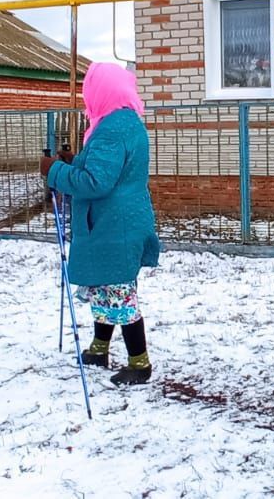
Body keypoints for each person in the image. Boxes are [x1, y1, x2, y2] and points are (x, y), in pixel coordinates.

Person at [41, 62, 160, 386]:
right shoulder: (124, 122)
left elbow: (97, 182)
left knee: (118, 293)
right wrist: (71, 163)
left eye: (89, 89)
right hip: (117, 221)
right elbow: (104, 168)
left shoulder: (112, 128)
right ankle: (99, 349)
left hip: (113, 224)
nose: (85, 96)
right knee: (104, 288)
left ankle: (140, 363)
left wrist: (54, 172)